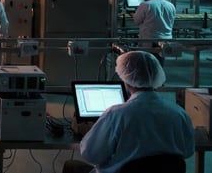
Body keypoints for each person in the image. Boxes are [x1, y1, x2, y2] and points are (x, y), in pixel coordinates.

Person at [62, 51, 194, 173]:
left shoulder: (116, 114)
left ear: (126, 79)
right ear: (156, 75)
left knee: (72, 166)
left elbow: (91, 155)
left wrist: (89, 132)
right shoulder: (178, 113)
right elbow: (187, 151)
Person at [133, 0, 175, 65]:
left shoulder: (146, 5)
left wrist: (134, 14)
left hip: (150, 40)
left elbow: (137, 21)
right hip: (166, 39)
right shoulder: (170, 5)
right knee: (159, 63)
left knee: (148, 65)